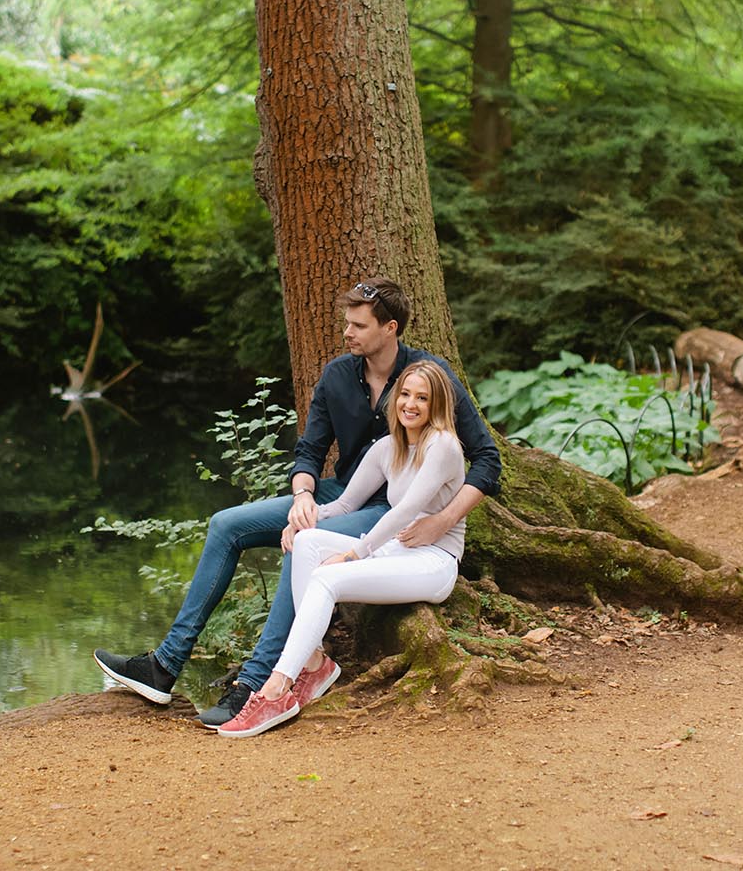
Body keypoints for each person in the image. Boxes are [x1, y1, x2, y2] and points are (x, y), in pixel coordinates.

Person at [93, 278, 501, 727]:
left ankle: (257, 679)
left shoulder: (428, 378)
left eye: (358, 325)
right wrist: (303, 497)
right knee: (226, 524)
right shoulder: (338, 375)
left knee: (305, 543)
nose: (347, 333)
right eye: (346, 323)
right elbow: (309, 450)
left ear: (389, 328)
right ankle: (164, 665)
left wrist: (444, 519)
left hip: (394, 514)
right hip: (345, 496)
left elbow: (486, 460)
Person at [217, 360, 468, 737]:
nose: (410, 404)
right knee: (308, 542)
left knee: (327, 579)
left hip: (435, 562)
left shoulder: (444, 445)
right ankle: (314, 661)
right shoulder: (389, 447)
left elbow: (406, 510)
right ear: (394, 398)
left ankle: (276, 688)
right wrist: (301, 518)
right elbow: (346, 505)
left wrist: (356, 553)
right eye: (405, 394)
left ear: (437, 405)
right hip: (399, 551)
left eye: (422, 398)